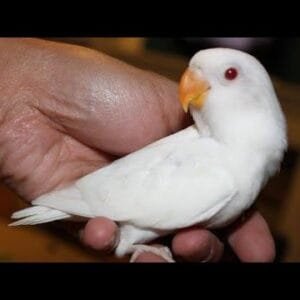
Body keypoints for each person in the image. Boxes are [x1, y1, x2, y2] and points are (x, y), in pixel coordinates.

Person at [0, 38, 275, 262]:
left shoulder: (231, 163)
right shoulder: (221, 173)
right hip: (103, 198)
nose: (193, 81)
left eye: (228, 74)